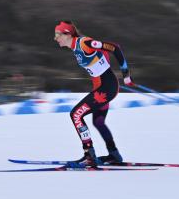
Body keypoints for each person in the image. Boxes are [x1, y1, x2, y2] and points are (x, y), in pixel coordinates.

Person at [54, 20, 135, 167]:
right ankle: (114, 155)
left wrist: (126, 74)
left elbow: (114, 47)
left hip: (106, 88)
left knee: (76, 115)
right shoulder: (75, 47)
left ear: (67, 34)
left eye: (58, 35)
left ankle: (89, 155)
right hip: (102, 88)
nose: (55, 38)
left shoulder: (84, 43)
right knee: (98, 122)